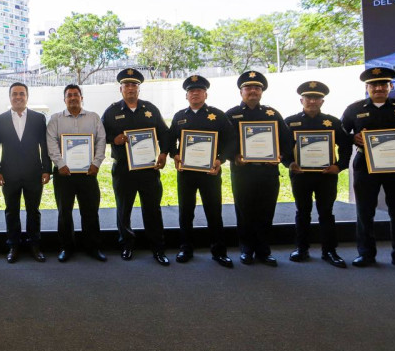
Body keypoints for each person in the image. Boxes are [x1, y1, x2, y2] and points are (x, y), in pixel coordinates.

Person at [341, 67, 395, 275]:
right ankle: (366, 254)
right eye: (374, 85)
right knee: (365, 212)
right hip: (365, 166)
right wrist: (352, 138)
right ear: (367, 87)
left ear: (391, 86)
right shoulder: (354, 109)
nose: (378, 88)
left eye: (383, 84)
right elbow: (341, 134)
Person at [101, 68, 171, 265]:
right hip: (123, 169)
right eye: (126, 85)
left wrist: (164, 153)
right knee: (124, 210)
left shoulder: (150, 109)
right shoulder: (112, 111)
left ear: (139, 89)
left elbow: (164, 133)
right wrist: (113, 139)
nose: (130, 88)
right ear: (120, 89)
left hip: (148, 169)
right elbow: (99, 135)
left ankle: (157, 248)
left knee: (152, 209)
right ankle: (127, 245)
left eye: (134, 85)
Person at [225, 71, 293, 267]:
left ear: (262, 92)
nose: (253, 91)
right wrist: (234, 156)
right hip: (242, 172)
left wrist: (280, 156)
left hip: (267, 172)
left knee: (266, 211)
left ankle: (264, 250)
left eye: (257, 88)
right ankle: (246, 249)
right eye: (248, 88)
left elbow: (288, 140)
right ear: (241, 92)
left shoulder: (272, 114)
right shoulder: (231, 115)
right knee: (244, 211)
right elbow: (223, 142)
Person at [283, 81, 352, 268]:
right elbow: (282, 147)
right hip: (300, 175)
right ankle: (301, 249)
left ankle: (329, 251)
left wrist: (339, 166)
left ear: (322, 101)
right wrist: (289, 163)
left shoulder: (332, 122)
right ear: (301, 100)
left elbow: (346, 146)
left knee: (326, 212)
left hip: (326, 175)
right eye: (308, 97)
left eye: (316, 98)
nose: (312, 101)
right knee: (302, 212)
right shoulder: (290, 122)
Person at [168, 75, 234, 268]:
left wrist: (220, 159)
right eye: (191, 91)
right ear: (186, 95)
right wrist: (175, 155)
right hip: (186, 174)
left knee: (214, 212)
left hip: (210, 173)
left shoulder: (217, 115)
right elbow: (170, 139)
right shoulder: (179, 117)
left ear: (206, 94)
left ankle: (219, 251)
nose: (195, 93)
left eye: (199, 90)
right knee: (185, 212)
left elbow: (231, 141)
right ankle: (185, 248)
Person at [46, 84, 107, 263]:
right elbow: (51, 143)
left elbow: (101, 141)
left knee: (90, 211)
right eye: (69, 95)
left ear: (82, 98)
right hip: (63, 174)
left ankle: (93, 247)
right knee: (64, 212)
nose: (73, 98)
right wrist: (60, 164)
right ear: (64, 99)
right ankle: (66, 247)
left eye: (76, 95)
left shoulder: (93, 117)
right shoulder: (55, 119)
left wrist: (96, 163)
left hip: (88, 173)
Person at [0, 82, 51, 263]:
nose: (18, 97)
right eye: (15, 94)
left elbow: (44, 145)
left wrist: (47, 169)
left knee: (33, 211)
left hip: (34, 173)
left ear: (27, 96)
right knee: (11, 211)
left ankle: (35, 245)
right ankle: (13, 246)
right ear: (10, 97)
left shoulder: (38, 118)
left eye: (22, 94)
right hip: (8, 174)